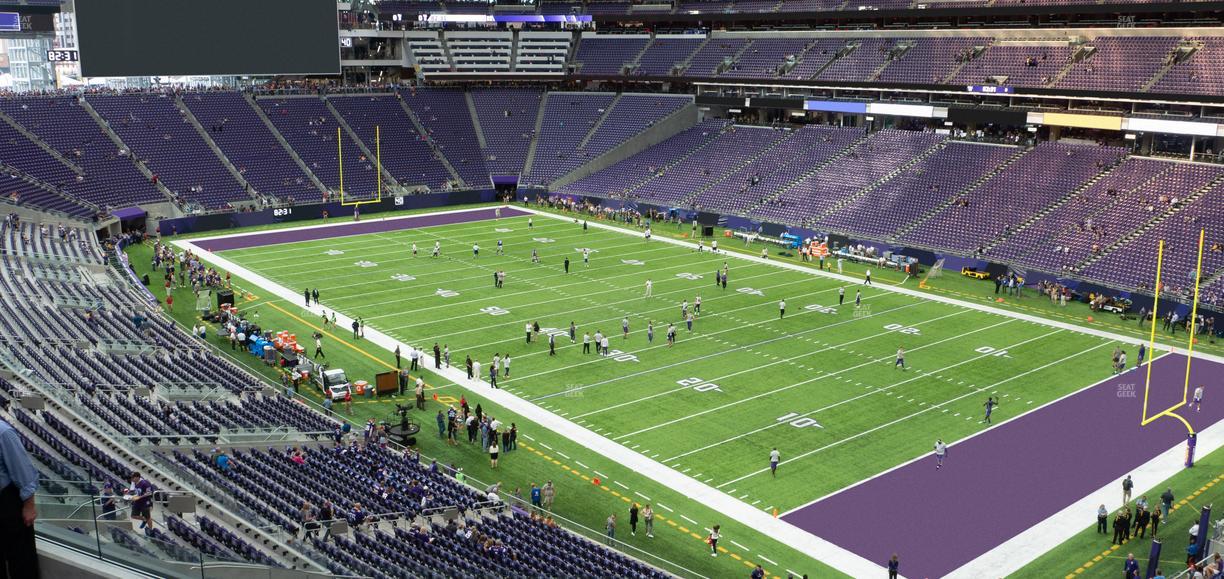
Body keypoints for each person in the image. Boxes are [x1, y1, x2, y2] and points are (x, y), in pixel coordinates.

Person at [1, 418, 38, 576]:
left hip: (6, 503)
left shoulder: (3, 432)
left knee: (21, 560)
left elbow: (23, 470)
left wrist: (29, 505)